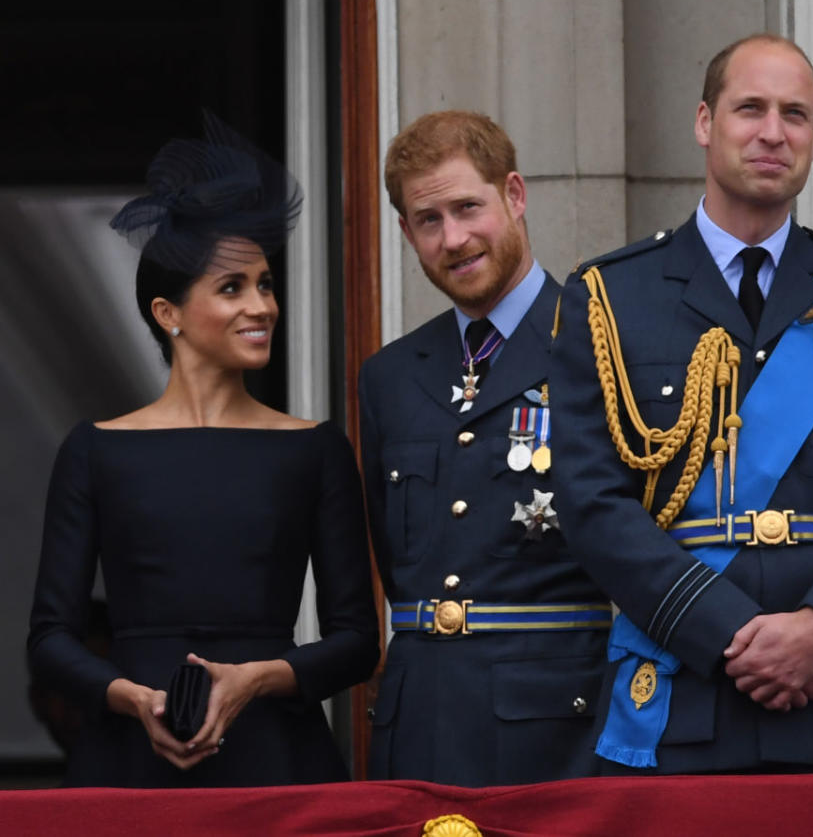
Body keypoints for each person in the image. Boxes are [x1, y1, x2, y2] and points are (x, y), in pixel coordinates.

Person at [550, 34, 813, 774]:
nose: (773, 132)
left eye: (796, 114)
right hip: (684, 697)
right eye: (750, 109)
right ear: (705, 122)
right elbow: (593, 502)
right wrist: (733, 633)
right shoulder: (611, 296)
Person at [27, 113, 380, 787]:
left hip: (277, 758)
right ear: (170, 313)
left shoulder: (315, 449)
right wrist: (134, 697)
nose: (263, 305)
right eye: (233, 287)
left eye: (266, 284)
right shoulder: (95, 451)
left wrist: (259, 678)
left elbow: (357, 642)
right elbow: (50, 641)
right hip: (130, 760)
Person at [359, 110, 612, 786]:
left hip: (555, 728)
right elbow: (396, 557)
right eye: (429, 220)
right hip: (418, 728)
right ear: (406, 232)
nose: (455, 238)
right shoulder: (389, 376)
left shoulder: (601, 344)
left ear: (515, 194)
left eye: (468, 207)